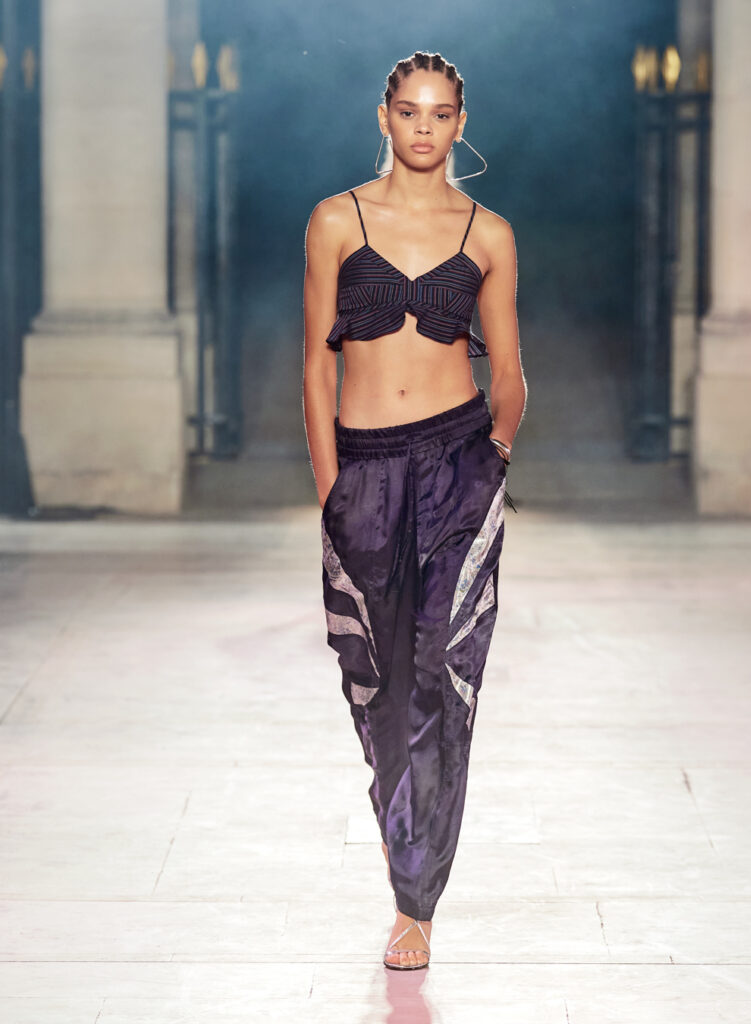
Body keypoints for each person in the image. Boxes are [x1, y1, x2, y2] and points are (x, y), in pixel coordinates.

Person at [302, 50, 527, 970]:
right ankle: (405, 854)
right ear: (384, 117)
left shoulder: (487, 233)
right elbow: (315, 366)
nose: (424, 127)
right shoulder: (335, 220)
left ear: (459, 125)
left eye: (440, 114)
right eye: (409, 112)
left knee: (442, 677)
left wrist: (492, 459)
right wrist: (331, 488)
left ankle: (415, 902)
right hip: (363, 469)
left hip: (457, 466)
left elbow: (508, 370)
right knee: (377, 689)